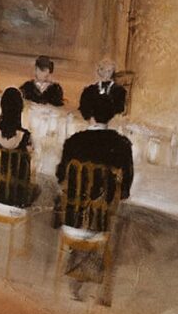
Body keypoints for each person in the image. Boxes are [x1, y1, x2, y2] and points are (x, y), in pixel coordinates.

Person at [54, 90, 133, 298]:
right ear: (111, 115)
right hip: (100, 226)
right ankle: (93, 274)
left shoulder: (73, 142)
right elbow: (125, 191)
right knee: (120, 221)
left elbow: (60, 178)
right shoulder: (122, 145)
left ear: (89, 114)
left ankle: (75, 265)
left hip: (71, 223)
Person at [0, 88, 34, 208]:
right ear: (20, 109)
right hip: (17, 198)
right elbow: (30, 158)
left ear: (2, 106)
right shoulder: (25, 136)